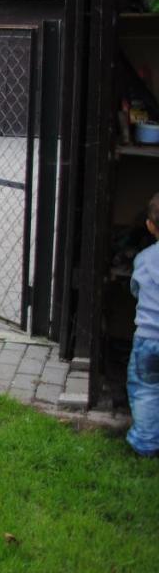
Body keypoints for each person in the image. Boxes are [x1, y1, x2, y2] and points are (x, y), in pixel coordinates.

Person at [128, 192, 159, 457]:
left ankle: (145, 444)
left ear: (150, 225)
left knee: (146, 391)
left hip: (148, 339)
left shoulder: (144, 259)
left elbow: (135, 290)